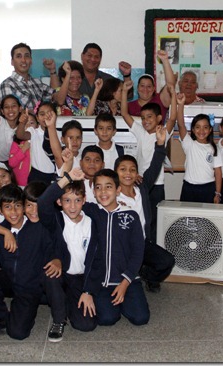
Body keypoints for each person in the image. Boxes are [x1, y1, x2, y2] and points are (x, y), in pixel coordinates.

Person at [0, 186, 57, 340]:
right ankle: (0, 316)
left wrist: (56, 260)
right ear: (0, 211)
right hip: (9, 279)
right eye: (7, 207)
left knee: (17, 333)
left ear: (23, 207)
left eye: (17, 206)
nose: (14, 212)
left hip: (30, 287)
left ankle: (21, 313)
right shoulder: (1, 231)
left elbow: (54, 245)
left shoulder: (38, 226)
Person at [75, 168, 150, 327]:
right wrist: (68, 175)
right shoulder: (91, 212)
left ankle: (126, 301)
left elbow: (138, 252)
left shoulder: (130, 216)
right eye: (98, 187)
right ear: (93, 192)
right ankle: (114, 306)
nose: (103, 191)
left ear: (118, 190)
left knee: (141, 318)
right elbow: (63, 197)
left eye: (108, 186)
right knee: (107, 319)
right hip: (102, 283)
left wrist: (125, 283)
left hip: (127, 280)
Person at [37, 173, 101, 341]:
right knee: (50, 274)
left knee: (86, 325)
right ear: (59, 202)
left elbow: (97, 261)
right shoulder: (56, 219)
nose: (72, 206)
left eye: (77, 200)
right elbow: (43, 203)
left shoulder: (92, 223)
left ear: (84, 200)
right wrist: (66, 178)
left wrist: (88, 291)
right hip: (61, 274)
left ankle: (64, 301)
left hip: (80, 279)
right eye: (67, 200)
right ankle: (58, 320)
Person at [114, 125, 174, 293]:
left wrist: (160, 144)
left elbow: (155, 166)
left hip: (142, 242)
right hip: (122, 246)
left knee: (167, 261)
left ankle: (147, 274)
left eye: (133, 170)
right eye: (123, 169)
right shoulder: (111, 195)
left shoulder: (142, 188)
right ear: (115, 172)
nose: (128, 173)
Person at [121, 83, 177, 243]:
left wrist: (173, 95)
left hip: (157, 186)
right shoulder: (140, 132)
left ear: (159, 118)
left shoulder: (162, 133)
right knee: (142, 218)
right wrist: (125, 91)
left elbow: (172, 118)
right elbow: (125, 113)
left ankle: (154, 248)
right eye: (143, 118)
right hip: (140, 183)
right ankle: (142, 246)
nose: (145, 121)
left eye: (149, 117)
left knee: (155, 220)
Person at [176, 97, 222, 203]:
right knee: (188, 216)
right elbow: (181, 125)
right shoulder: (189, 144)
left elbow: (218, 172)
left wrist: (218, 193)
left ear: (210, 130)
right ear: (192, 129)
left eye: (205, 127)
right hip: (189, 187)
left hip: (208, 188)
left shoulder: (214, 148)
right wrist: (181, 104)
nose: (201, 130)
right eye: (197, 127)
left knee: (205, 218)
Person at [0, 43, 58, 110]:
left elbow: (57, 96)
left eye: (27, 56)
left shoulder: (37, 82)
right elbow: (12, 114)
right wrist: (39, 114)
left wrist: (52, 70)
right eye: (19, 56)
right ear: (12, 62)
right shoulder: (7, 85)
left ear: (31, 61)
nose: (23, 60)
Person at [15, 102, 57, 185]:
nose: (46, 117)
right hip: (36, 175)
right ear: (37, 118)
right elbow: (20, 135)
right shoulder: (34, 132)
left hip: (54, 175)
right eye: (42, 114)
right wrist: (22, 123)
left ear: (55, 116)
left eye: (49, 114)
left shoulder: (58, 134)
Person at [127, 50, 175, 118]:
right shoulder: (129, 106)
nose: (145, 89)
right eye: (142, 86)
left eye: (149, 86)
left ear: (153, 89)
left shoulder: (160, 101)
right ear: (137, 88)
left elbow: (170, 84)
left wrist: (165, 60)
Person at [0, 94, 23, 163]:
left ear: (20, 109)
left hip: (16, 163)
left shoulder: (22, 127)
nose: (10, 109)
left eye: (13, 106)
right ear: (2, 111)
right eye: (6, 107)